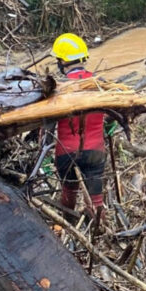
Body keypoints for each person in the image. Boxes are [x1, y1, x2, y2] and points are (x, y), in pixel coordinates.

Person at [51, 33, 107, 226]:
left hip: (65, 152)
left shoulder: (58, 88)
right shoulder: (100, 83)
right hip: (95, 151)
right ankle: (100, 231)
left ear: (61, 61)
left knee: (69, 192)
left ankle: (68, 228)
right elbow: (111, 119)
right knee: (96, 197)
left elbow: (47, 126)